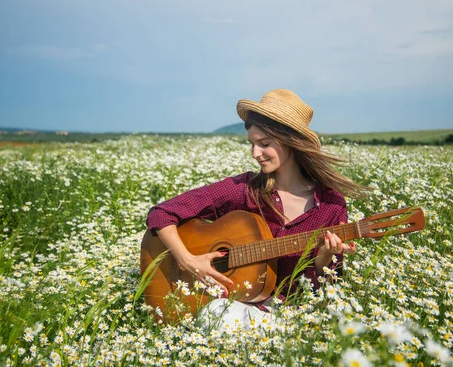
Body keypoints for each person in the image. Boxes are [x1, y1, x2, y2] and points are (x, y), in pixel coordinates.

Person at [145, 89, 368, 327]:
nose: (255, 153)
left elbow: (326, 288)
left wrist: (324, 257)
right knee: (219, 313)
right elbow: (162, 212)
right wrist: (187, 260)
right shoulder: (245, 189)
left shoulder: (331, 205)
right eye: (252, 143)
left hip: (294, 316)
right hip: (239, 308)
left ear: (291, 142)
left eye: (264, 144)